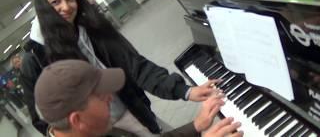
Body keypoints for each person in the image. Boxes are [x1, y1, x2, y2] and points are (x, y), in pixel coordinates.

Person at [29, 0, 217, 136]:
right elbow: (44, 118)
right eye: (55, 2)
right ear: (43, 8)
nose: (67, 6)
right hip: (98, 129)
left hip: (132, 109)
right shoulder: (36, 57)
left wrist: (184, 91)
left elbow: (135, 65)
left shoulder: (93, 27)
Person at [34, 60, 244, 137]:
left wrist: (196, 126)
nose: (111, 97)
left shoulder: (99, 131)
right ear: (77, 120)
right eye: (101, 95)